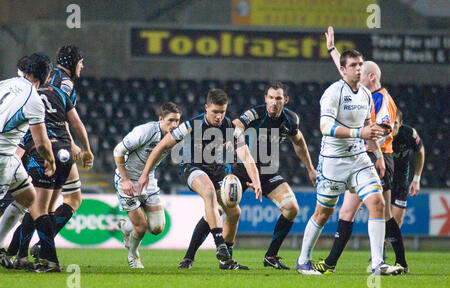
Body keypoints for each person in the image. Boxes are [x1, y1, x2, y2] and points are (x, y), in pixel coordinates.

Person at [178, 81, 317, 270]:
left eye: (278, 98)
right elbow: (236, 125)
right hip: (240, 170)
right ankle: (189, 257)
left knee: (292, 208)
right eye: (270, 98)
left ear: (286, 100)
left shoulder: (291, 119)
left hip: (266, 172)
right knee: (217, 211)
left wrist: (310, 168)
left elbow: (299, 142)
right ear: (265, 98)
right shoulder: (255, 114)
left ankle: (270, 256)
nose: (274, 102)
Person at [295, 49, 403, 276]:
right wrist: (358, 133)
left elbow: (368, 128)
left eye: (361, 64)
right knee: (323, 213)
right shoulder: (332, 93)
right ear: (343, 70)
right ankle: (303, 260)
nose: (359, 68)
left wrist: (379, 156)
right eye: (354, 64)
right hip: (334, 162)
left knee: (377, 203)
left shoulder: (365, 94)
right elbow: (325, 128)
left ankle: (377, 263)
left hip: (359, 159)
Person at [137, 88, 262, 269]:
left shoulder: (231, 128)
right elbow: (161, 146)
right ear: (206, 108)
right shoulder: (190, 125)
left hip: (217, 171)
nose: (219, 116)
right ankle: (219, 244)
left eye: (222, 112)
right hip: (192, 167)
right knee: (209, 192)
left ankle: (220, 260)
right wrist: (144, 174)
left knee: (234, 212)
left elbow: (246, 156)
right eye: (215, 112)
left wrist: (256, 180)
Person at [1, 69, 93, 271]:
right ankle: (29, 256)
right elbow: (76, 123)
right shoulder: (60, 93)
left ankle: (44, 258)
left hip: (44, 154)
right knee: (47, 209)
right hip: (66, 153)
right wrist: (86, 149)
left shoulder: (26, 97)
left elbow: (30, 139)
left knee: (35, 208)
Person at [28, 45, 92, 259]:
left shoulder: (50, 76)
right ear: (72, 62)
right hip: (54, 146)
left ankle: (28, 250)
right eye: (81, 62)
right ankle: (35, 250)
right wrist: (72, 143)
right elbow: (56, 114)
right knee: (55, 203)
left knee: (42, 204)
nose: (82, 67)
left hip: (41, 142)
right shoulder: (64, 83)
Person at [0, 53, 57, 271]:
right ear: (45, 75)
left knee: (28, 196)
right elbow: (41, 142)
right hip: (2, 157)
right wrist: (50, 160)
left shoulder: (6, 83)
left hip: (10, 157)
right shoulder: (33, 99)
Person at [114, 102, 182, 268]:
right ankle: (133, 256)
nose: (174, 125)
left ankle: (125, 226)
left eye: (177, 121)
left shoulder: (176, 136)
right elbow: (117, 151)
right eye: (170, 120)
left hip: (148, 181)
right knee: (142, 226)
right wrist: (125, 180)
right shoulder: (145, 131)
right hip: (127, 180)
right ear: (160, 119)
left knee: (158, 227)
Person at [391, 109, 425, 228]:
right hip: (382, 178)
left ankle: (385, 243)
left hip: (401, 179)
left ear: (400, 123)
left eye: (395, 123)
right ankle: (380, 245)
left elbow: (420, 152)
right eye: (389, 122)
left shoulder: (409, 134)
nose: (391, 126)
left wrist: (416, 179)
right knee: (380, 218)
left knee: (396, 223)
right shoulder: (379, 134)